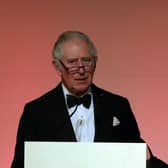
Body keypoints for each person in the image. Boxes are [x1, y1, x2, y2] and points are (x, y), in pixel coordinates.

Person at [11, 31, 168, 168]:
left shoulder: (118, 106)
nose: (81, 70)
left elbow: (141, 157)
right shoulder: (36, 112)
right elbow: (20, 165)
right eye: (72, 62)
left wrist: (149, 160)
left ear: (95, 62)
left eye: (86, 61)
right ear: (57, 67)